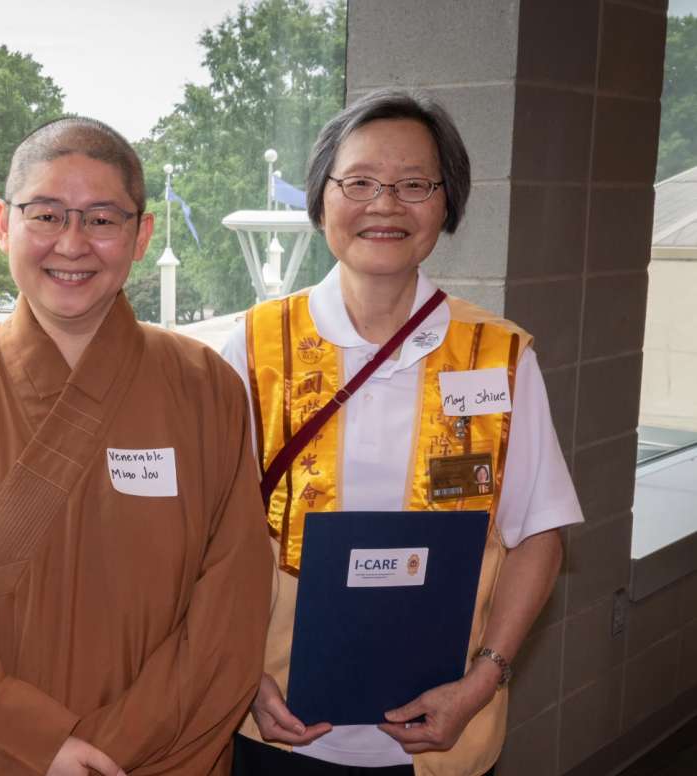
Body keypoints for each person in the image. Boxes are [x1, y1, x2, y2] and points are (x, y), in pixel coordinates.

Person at [0, 117, 273, 776]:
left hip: (162, 760)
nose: (72, 244)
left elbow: (230, 608)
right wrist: (37, 747)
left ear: (141, 234)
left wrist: (109, 755)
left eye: (102, 220)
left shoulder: (206, 386)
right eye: (46, 214)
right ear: (3, 224)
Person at [221, 89, 583, 776]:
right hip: (275, 727)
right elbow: (203, 534)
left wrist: (486, 678)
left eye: (414, 184)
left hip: (445, 734)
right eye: (359, 182)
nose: (385, 205)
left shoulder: (497, 355)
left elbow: (540, 532)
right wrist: (237, 671)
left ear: (447, 203)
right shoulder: (256, 345)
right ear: (321, 199)